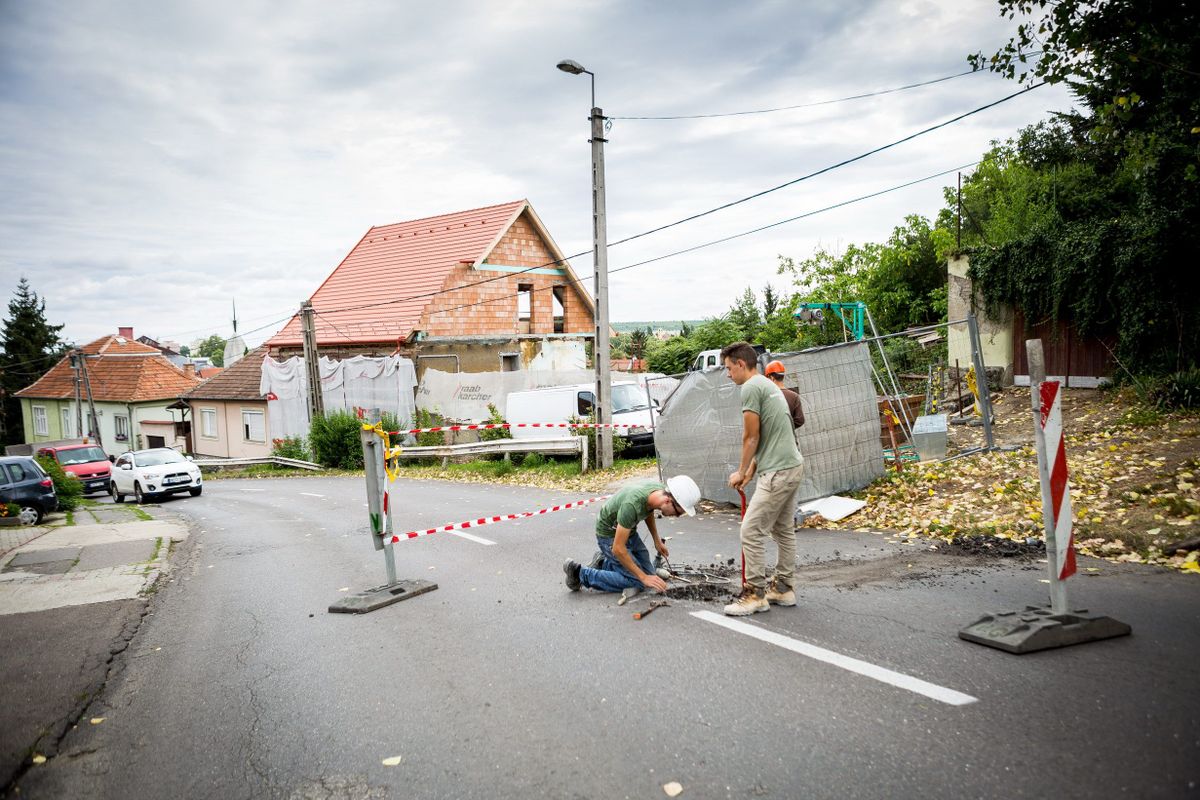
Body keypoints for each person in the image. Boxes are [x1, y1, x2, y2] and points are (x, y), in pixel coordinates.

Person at [721, 342, 805, 615]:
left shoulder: (751, 388)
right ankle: (784, 589)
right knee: (782, 530)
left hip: (779, 471)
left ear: (741, 364)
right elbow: (769, 438)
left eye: (728, 368)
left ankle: (755, 594)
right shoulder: (769, 386)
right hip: (791, 465)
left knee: (751, 530)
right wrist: (749, 473)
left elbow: (752, 437)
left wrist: (740, 470)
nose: (727, 374)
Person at [564, 475, 701, 595]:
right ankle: (579, 573)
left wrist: (656, 540)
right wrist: (642, 577)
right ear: (667, 501)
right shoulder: (632, 505)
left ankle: (604, 563)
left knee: (650, 575)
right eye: (677, 512)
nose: (676, 516)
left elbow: (648, 511)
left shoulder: (658, 492)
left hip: (627, 530)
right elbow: (618, 548)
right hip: (609, 535)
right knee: (638, 581)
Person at [764, 360, 805, 431]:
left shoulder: (767, 396)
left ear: (771, 378)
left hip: (773, 440)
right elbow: (800, 420)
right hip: (790, 440)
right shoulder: (794, 396)